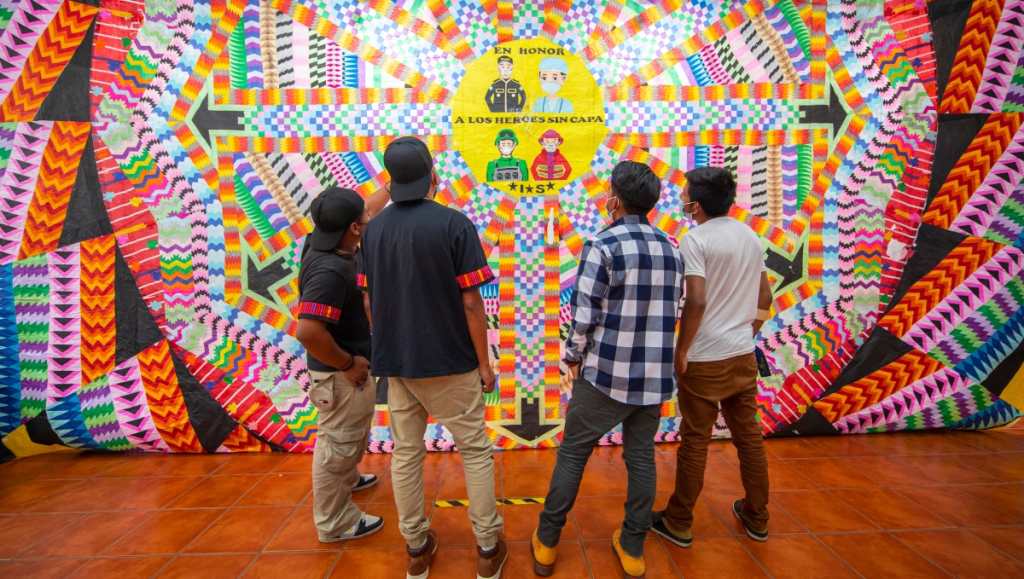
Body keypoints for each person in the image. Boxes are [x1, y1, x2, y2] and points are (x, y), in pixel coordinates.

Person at [360, 137, 507, 579]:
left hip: (398, 365)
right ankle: (487, 548)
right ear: (433, 175)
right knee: (475, 451)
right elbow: (471, 303)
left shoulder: (373, 231)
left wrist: (388, 341)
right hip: (452, 362)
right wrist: (485, 365)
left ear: (391, 180)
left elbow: (368, 300)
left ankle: (416, 548)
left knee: (406, 454)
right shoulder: (454, 225)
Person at [531, 161, 684, 579]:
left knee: (573, 454)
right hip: (652, 377)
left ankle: (547, 542)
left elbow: (585, 315)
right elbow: (675, 307)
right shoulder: (672, 248)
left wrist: (572, 358)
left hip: (604, 374)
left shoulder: (602, 245)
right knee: (641, 459)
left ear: (614, 199)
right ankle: (632, 546)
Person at [652, 167, 773, 548]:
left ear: (697, 205)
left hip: (704, 357)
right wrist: (747, 332)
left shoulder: (695, 240)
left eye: (685, 196)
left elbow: (697, 300)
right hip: (742, 354)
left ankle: (679, 521)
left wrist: (683, 349)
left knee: (695, 440)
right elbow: (765, 296)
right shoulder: (749, 236)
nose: (682, 201)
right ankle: (757, 515)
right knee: (749, 438)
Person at [296, 186, 385, 543]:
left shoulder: (319, 242)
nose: (369, 217)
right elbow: (308, 331)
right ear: (354, 229)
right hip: (338, 376)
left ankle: (349, 477)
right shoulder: (331, 270)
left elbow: (366, 211)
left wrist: (391, 187)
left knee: (349, 437)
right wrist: (348, 363)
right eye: (363, 218)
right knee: (337, 445)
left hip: (340, 372)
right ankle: (334, 522)